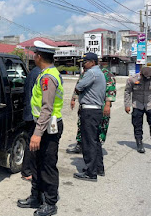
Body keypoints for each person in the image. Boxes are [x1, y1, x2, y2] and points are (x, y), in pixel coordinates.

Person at [17, 41, 63, 216]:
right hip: (41, 124)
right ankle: (36, 197)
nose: (33, 57)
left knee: (47, 165)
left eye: (35, 54)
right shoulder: (46, 73)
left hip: (47, 126)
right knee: (36, 163)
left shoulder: (48, 77)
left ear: (39, 57)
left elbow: (47, 108)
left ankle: (50, 203)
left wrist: (37, 133)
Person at [67, 63, 116, 155]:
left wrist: (108, 104)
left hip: (100, 105)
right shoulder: (86, 73)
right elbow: (79, 85)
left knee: (101, 125)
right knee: (82, 124)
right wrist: (74, 98)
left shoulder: (106, 74)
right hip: (86, 105)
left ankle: (97, 146)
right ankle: (80, 144)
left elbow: (111, 89)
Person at [72, 53, 106, 182]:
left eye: (85, 62)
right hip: (96, 110)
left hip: (90, 110)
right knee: (95, 141)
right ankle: (98, 168)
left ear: (92, 62)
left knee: (88, 142)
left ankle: (90, 172)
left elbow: (79, 87)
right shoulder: (99, 72)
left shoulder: (91, 73)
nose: (83, 65)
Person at [21, 66, 41, 182]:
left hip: (30, 111)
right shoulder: (38, 73)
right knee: (32, 143)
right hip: (33, 113)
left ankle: (28, 169)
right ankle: (27, 171)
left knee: (31, 142)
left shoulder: (34, 72)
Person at [124, 66, 151, 153]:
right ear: (141, 74)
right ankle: (139, 142)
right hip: (137, 105)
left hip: (149, 104)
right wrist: (127, 105)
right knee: (137, 125)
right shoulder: (132, 79)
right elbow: (127, 92)